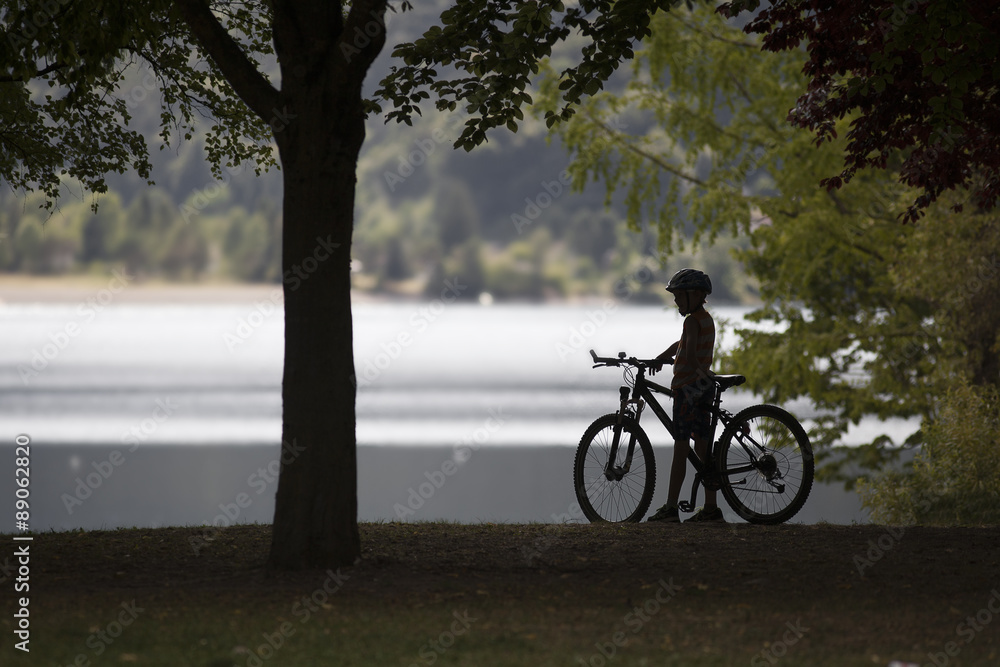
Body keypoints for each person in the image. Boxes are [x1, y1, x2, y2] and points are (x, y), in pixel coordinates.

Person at [647, 268, 724, 523]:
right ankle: (711, 508)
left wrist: (693, 367)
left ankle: (670, 508)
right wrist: (662, 357)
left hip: (688, 388)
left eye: (679, 296)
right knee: (702, 446)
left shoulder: (690, 321)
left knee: (681, 447)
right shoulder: (705, 319)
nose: (676, 301)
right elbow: (681, 345)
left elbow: (689, 353)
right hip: (703, 386)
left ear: (695, 295)